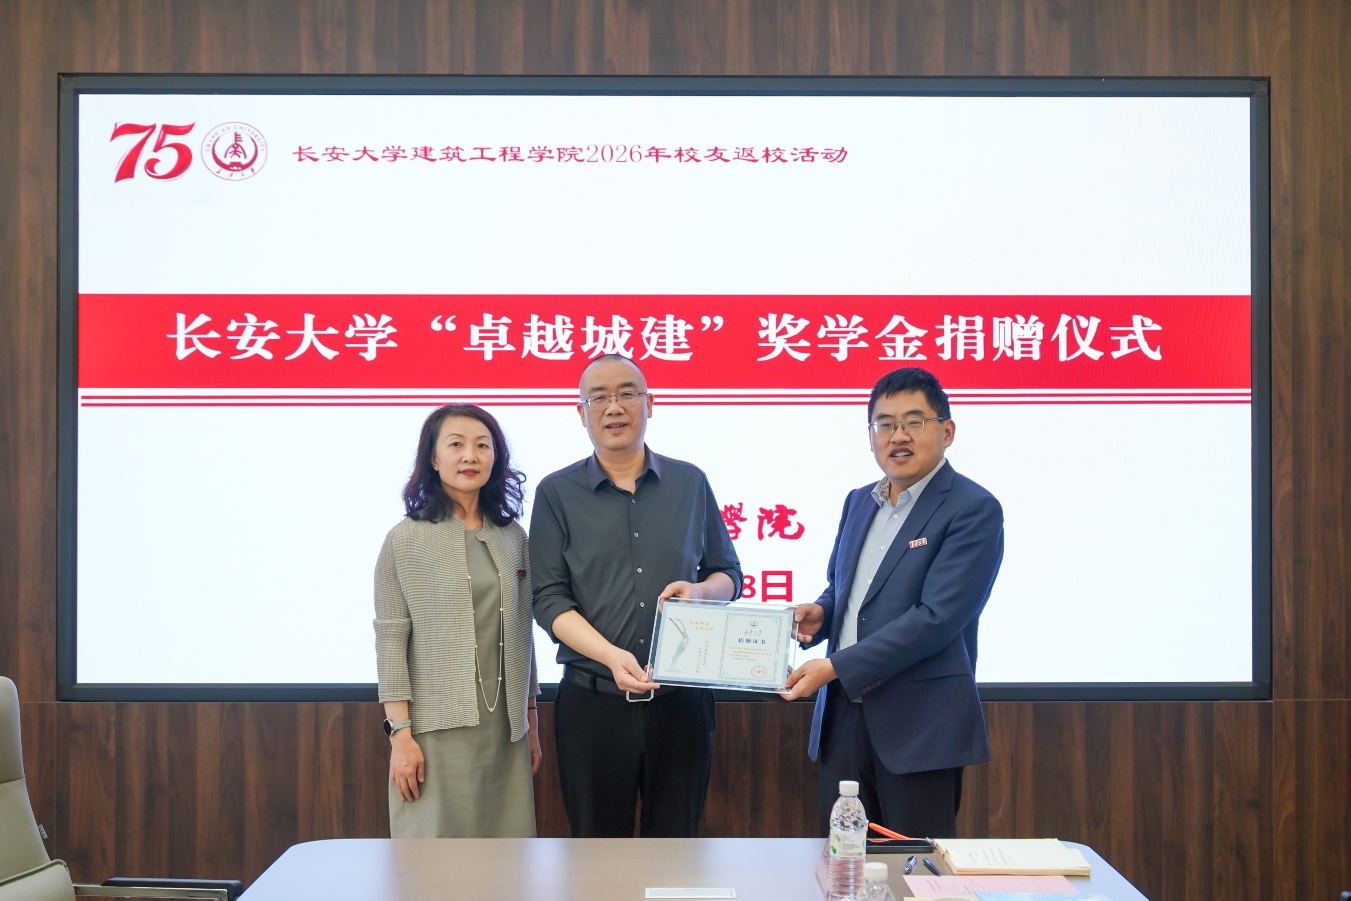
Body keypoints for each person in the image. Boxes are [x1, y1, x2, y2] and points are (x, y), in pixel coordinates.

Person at [782, 367, 1003, 839]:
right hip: (843, 718)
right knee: (842, 861)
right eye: (885, 424)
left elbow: (936, 619)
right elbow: (845, 589)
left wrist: (835, 665)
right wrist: (823, 614)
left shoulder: (972, 508)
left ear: (947, 431)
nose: (898, 436)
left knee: (913, 867)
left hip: (919, 726)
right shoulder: (859, 502)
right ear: (871, 436)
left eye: (913, 422)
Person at [530, 354, 742, 837]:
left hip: (682, 701)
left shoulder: (690, 482)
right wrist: (611, 657)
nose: (614, 407)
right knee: (597, 855)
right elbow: (548, 599)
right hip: (593, 705)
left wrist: (701, 592)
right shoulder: (556, 493)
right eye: (598, 398)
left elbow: (728, 573)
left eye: (627, 393)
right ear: (581, 412)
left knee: (676, 848)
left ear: (650, 403)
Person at [373, 403, 542, 838]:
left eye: (483, 445)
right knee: (434, 862)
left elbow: (522, 633)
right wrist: (400, 735)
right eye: (456, 444)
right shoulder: (404, 539)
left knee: (508, 860)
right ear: (433, 458)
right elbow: (390, 641)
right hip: (433, 734)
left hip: (506, 732)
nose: (471, 455)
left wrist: (531, 721)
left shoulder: (513, 536)